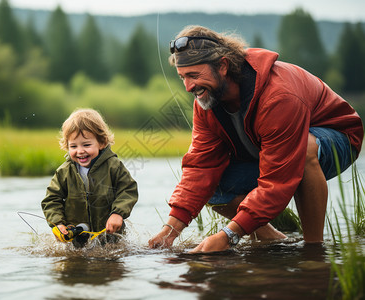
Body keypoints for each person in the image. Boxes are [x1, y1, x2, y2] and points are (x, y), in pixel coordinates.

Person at [148, 25, 363, 253]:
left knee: (306, 148)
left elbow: (278, 180)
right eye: (182, 77)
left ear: (222, 66)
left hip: (338, 138)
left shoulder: (278, 95)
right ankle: (272, 237)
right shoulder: (206, 101)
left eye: (194, 75)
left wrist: (229, 235)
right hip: (266, 151)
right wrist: (170, 231)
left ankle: (313, 249)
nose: (188, 87)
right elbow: (200, 167)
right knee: (214, 184)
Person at [41, 108, 138, 247]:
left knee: (112, 262)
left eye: (86, 145)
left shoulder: (113, 166)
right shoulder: (64, 171)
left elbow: (128, 190)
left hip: (109, 237)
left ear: (102, 142)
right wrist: (58, 223)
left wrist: (118, 213)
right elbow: (51, 199)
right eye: (73, 146)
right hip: (76, 239)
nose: (80, 151)